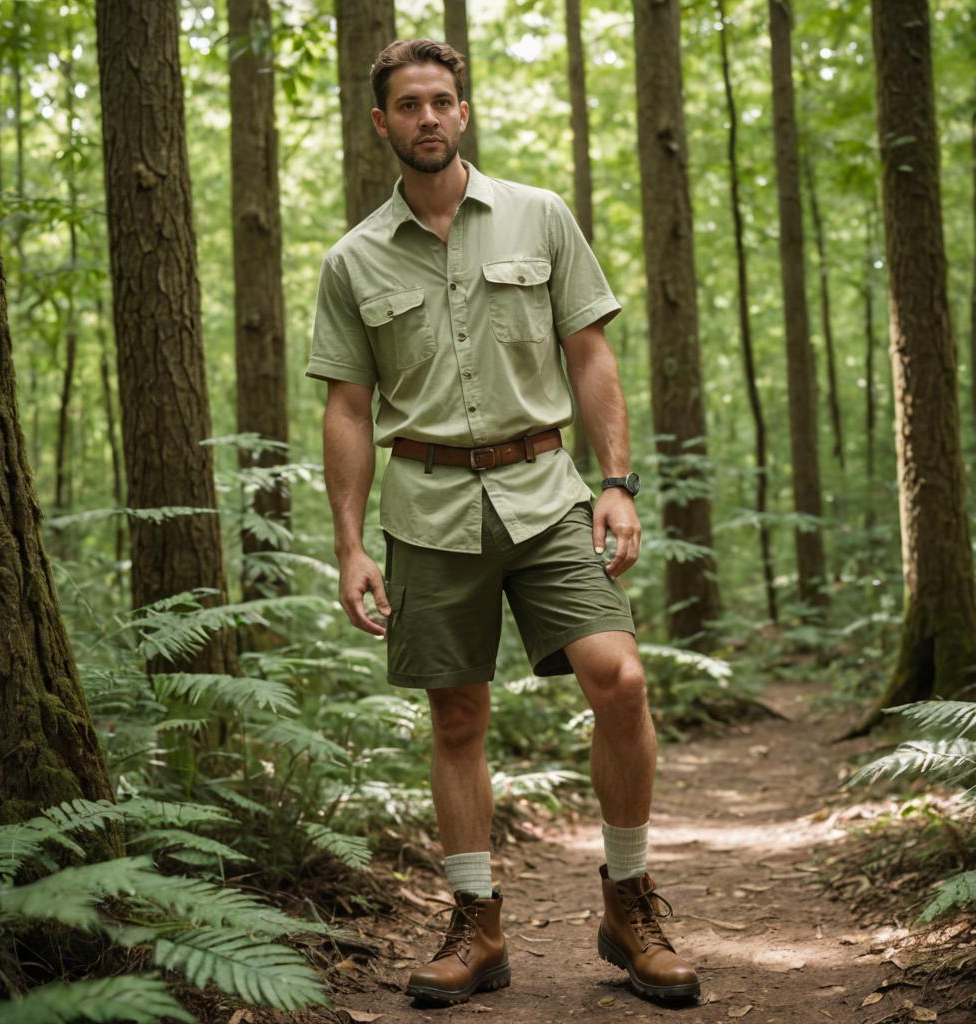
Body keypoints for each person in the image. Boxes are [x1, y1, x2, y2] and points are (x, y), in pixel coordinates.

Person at [307, 37, 700, 1008]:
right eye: (409, 104)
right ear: (382, 123)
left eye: (442, 100)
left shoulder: (539, 215)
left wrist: (617, 481)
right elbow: (348, 410)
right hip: (427, 507)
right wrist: (351, 544)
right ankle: (476, 924)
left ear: (463, 112)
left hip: (543, 487)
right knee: (456, 715)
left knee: (620, 677)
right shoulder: (352, 260)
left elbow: (590, 352)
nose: (429, 117)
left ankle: (629, 901)